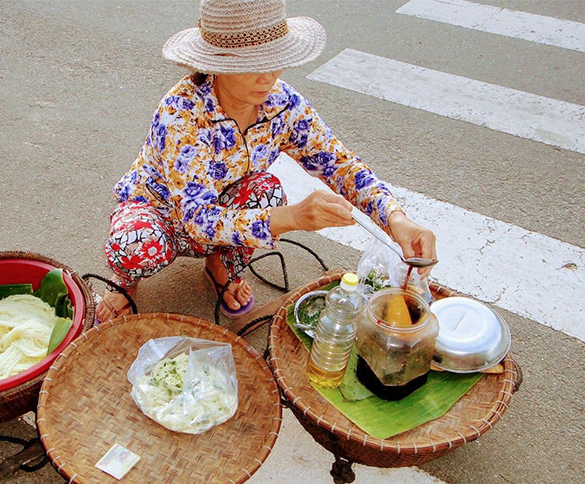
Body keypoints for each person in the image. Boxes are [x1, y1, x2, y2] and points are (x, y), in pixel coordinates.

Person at [96, 0, 436, 323]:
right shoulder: (182, 112)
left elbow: (341, 165)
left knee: (267, 191)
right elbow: (198, 220)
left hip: (226, 210)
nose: (268, 76)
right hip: (161, 211)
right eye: (251, 65)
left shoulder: (282, 104)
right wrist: (294, 217)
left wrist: (395, 219)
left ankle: (220, 263)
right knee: (136, 244)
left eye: (275, 59)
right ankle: (125, 279)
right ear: (216, 63)